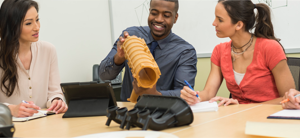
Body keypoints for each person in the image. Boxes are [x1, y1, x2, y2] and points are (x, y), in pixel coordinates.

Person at [180, 0, 295, 106]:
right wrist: (195, 97)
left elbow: (289, 98)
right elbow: (209, 92)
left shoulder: (270, 48)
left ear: (239, 25)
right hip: (237, 119)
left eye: (220, 19)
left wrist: (244, 108)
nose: (214, 23)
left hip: (269, 121)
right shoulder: (219, 51)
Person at [99, 0, 197, 101]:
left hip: (163, 112)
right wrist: (118, 58)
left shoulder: (185, 51)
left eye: (166, 15)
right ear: (149, 11)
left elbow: (185, 94)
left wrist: (156, 94)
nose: (159, 19)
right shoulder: (130, 35)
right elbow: (103, 75)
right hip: (128, 111)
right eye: (154, 13)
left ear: (175, 18)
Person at [0, 0, 68, 117]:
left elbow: (54, 91)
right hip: (9, 128)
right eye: (28, 23)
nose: (37, 27)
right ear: (12, 26)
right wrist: (11, 109)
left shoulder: (48, 50)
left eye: (37, 20)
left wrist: (57, 101)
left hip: (43, 124)